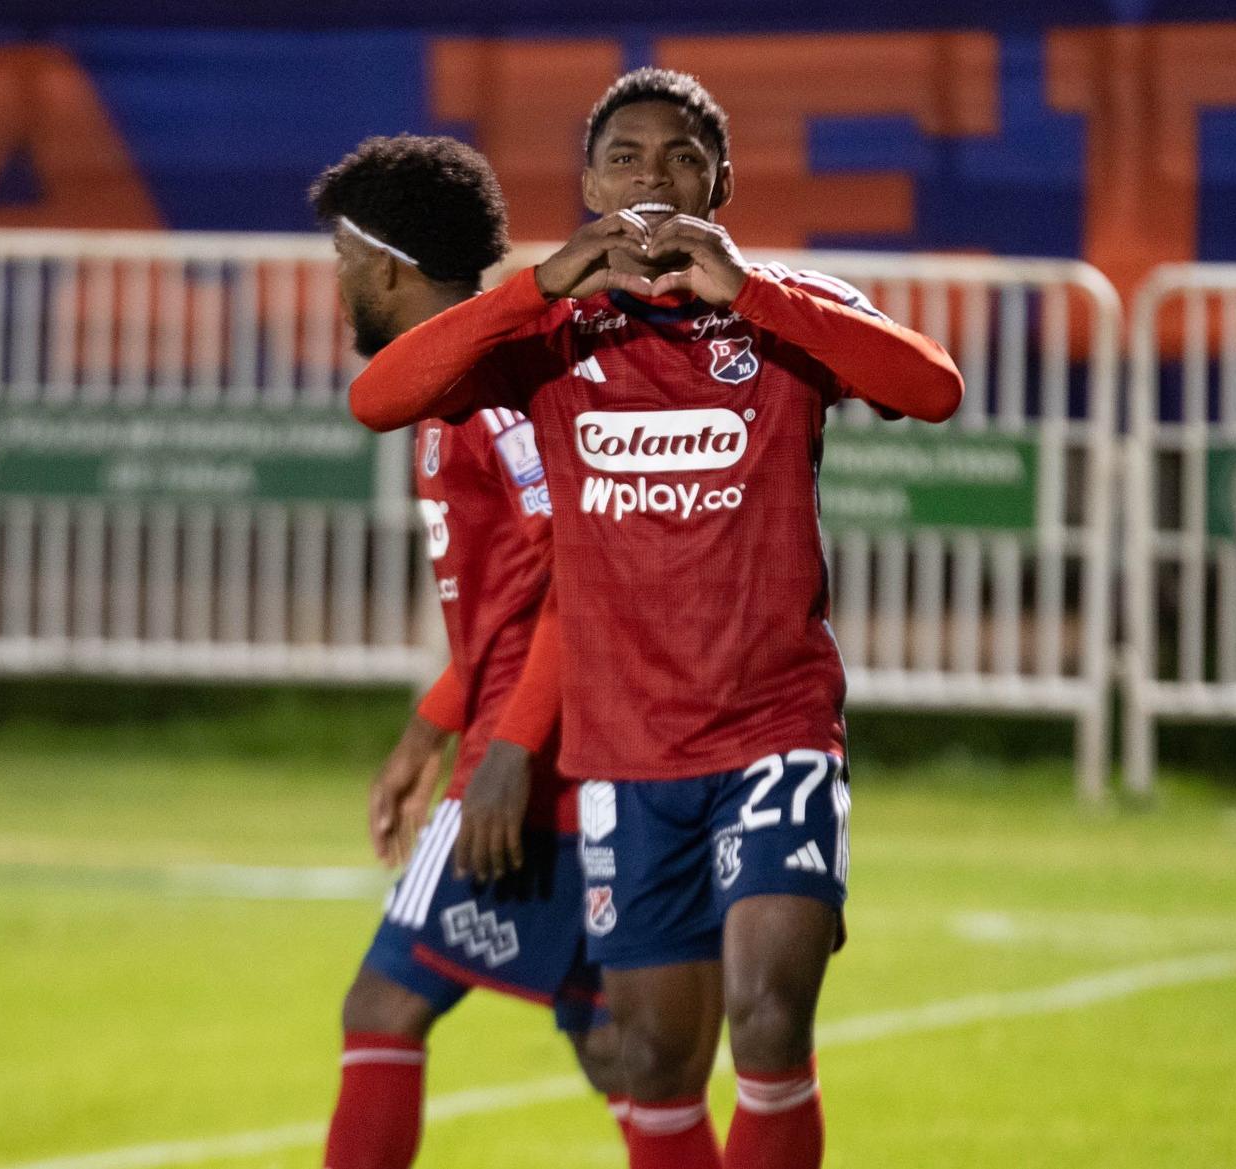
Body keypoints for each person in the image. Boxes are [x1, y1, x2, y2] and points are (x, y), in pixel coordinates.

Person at [346, 72, 963, 1169]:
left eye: (681, 156)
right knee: (653, 1068)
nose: (652, 177)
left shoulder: (786, 308)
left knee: (771, 1022)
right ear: (588, 183)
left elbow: (935, 388)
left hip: (774, 734)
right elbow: (379, 396)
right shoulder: (554, 336)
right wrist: (538, 283)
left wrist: (756, 296)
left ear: (721, 182)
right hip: (627, 760)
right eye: (624, 157)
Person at [311, 134, 635, 1169]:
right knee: (618, 1049)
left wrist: (506, 751)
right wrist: (426, 732)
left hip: (536, 764)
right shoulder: (454, 387)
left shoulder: (493, 391)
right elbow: (507, 604)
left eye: (344, 266)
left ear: (391, 269)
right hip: (560, 751)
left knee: (383, 1003)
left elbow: (580, 578)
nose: (340, 288)